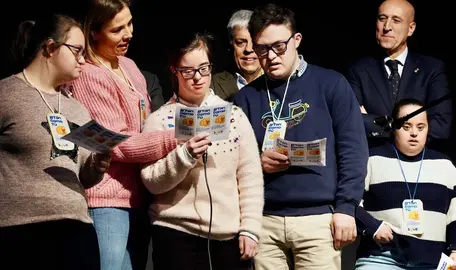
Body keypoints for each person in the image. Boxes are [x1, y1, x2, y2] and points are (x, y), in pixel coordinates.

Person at [233, 3, 369, 269]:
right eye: (262, 48)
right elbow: (231, 160)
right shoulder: (246, 98)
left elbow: (353, 150)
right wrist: (257, 161)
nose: (271, 56)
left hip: (318, 219)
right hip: (264, 221)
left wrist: (346, 207)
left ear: (296, 40)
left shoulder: (331, 84)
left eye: (279, 46)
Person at [140, 31, 264, 270]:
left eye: (204, 68)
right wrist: (183, 156)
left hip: (227, 238)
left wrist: (250, 228)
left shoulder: (234, 116)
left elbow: (250, 177)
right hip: (174, 233)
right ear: (174, 71)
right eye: (187, 71)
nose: (197, 78)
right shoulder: (159, 119)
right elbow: (151, 182)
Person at [69, 0, 177, 269]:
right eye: (117, 29)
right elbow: (114, 143)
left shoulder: (129, 66)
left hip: (138, 198)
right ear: (93, 32)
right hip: (106, 200)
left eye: (129, 24)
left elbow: (143, 125)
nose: (128, 33)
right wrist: (177, 137)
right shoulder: (88, 75)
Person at [0, 14, 111, 269]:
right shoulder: (6, 94)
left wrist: (97, 165)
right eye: (77, 51)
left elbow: (84, 174)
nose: (83, 59)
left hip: (76, 228)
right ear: (50, 48)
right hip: (19, 229)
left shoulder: (77, 110)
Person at [355, 98, 456, 270]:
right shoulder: (371, 160)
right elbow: (349, 202)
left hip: (432, 261)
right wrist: (373, 227)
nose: (414, 133)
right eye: (406, 127)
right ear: (394, 128)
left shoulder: (445, 165)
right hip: (381, 258)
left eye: (420, 127)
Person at [346, 0, 452, 147]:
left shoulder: (432, 69)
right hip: (374, 158)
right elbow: (350, 121)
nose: (387, 27)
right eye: (382, 18)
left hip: (418, 161)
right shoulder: (359, 69)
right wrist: (413, 127)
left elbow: (441, 126)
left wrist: (374, 122)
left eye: (396, 20)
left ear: (411, 29)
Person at [211, 9, 262, 101]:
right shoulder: (212, 84)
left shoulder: (279, 80)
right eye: (240, 42)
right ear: (231, 44)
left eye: (255, 42)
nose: (249, 49)